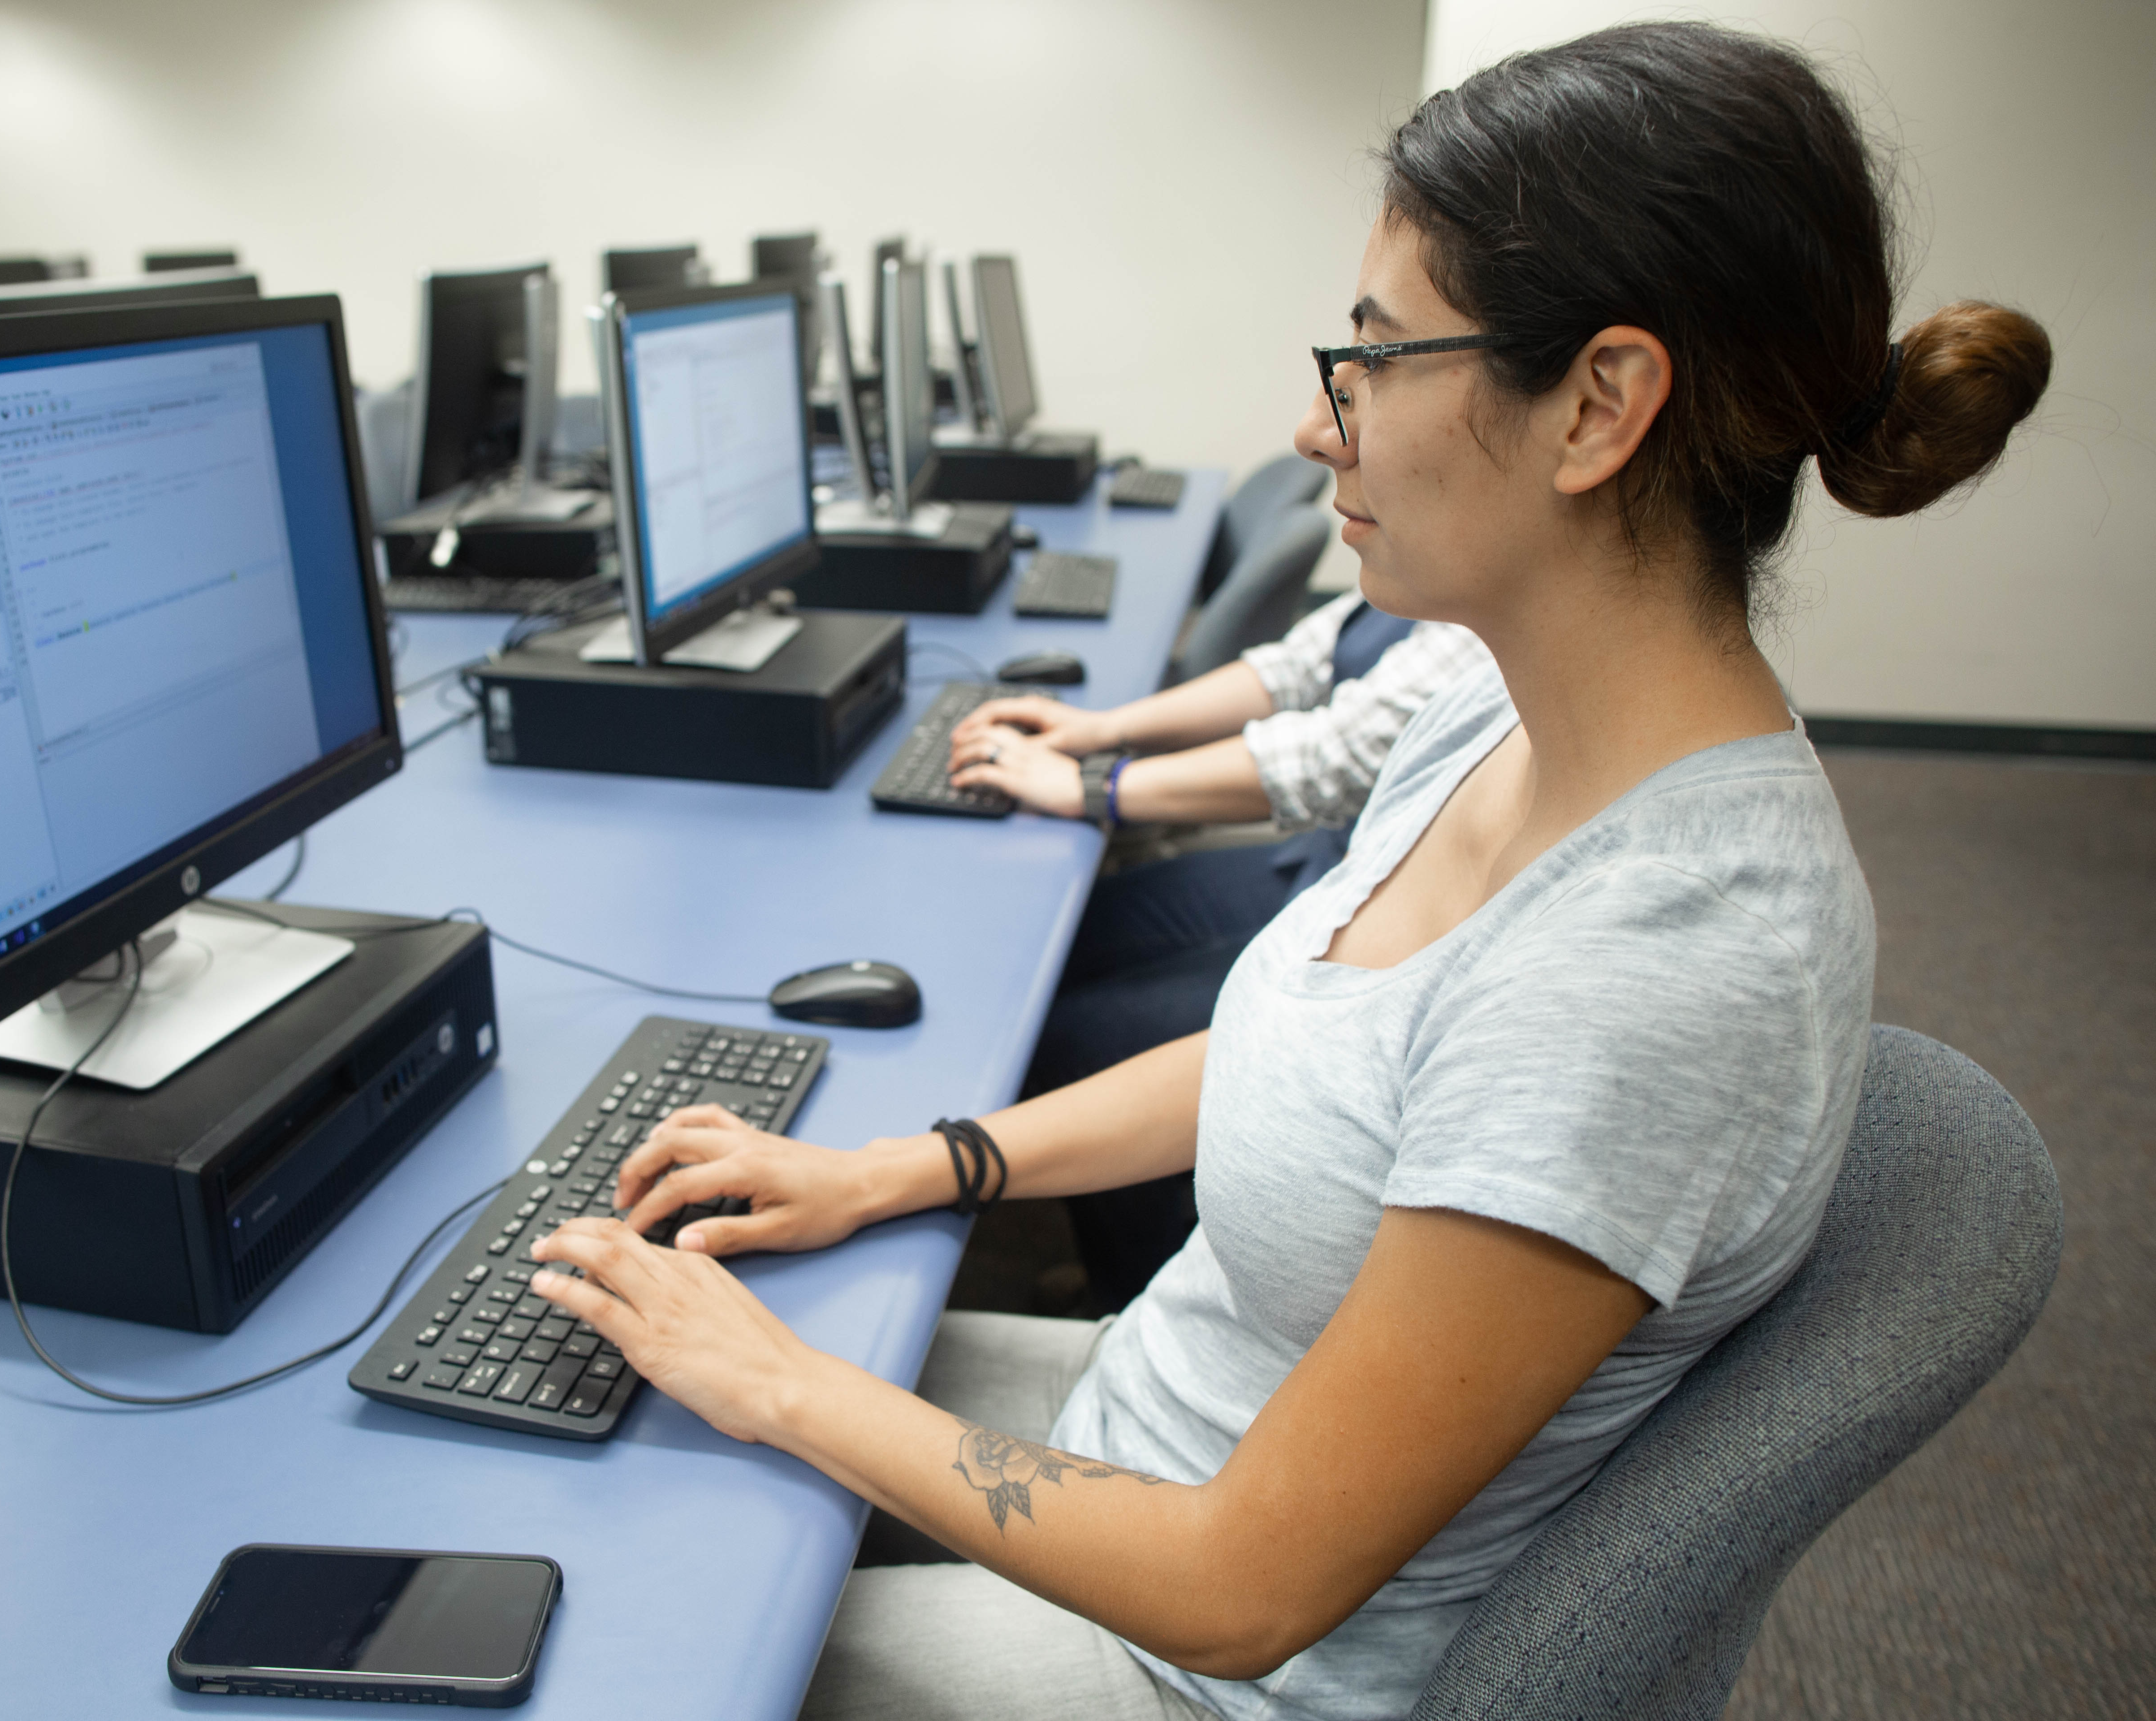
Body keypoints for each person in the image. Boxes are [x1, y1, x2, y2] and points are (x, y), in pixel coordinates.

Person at [524, 22, 2051, 1721]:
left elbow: (1237, 1587)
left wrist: (785, 1391)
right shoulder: (1495, 696)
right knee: (606, 1411)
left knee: (614, 1654)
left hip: (1190, 1658)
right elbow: (1299, 1052)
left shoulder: (1661, 966)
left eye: (1377, 360)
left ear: (1599, 407)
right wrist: (902, 1171)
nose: (1320, 427)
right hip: (1140, 1417)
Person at [944, 594, 1493, 1307]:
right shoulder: (1421, 567)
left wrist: (1096, 785)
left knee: (1079, 1042)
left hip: (1374, 896)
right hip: (1336, 859)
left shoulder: (1501, 607)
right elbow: (1296, 666)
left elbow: (1333, 758)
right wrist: (1103, 731)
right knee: (1069, 948)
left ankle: (1124, 1284)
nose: (1335, 473)